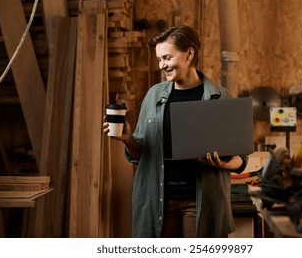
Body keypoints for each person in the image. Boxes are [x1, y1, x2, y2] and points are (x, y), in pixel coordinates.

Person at [103, 25, 248, 238]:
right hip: (158, 201)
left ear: (189, 54)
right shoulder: (153, 95)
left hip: (199, 204)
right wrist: (127, 138)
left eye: (167, 57)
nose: (162, 65)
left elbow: (241, 160)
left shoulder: (220, 96)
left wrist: (224, 163)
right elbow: (140, 154)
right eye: (159, 59)